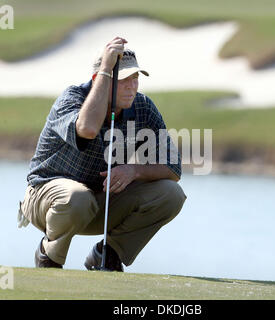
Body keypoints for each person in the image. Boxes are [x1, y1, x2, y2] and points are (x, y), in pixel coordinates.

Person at [18, 36, 186, 271]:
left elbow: (173, 168)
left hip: (96, 202)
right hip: (45, 200)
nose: (132, 86)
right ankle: (50, 256)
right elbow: (86, 129)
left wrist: (134, 170)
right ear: (100, 79)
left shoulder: (143, 107)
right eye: (125, 79)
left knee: (171, 194)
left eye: (135, 78)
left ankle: (108, 255)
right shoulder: (72, 98)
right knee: (77, 197)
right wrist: (107, 68)